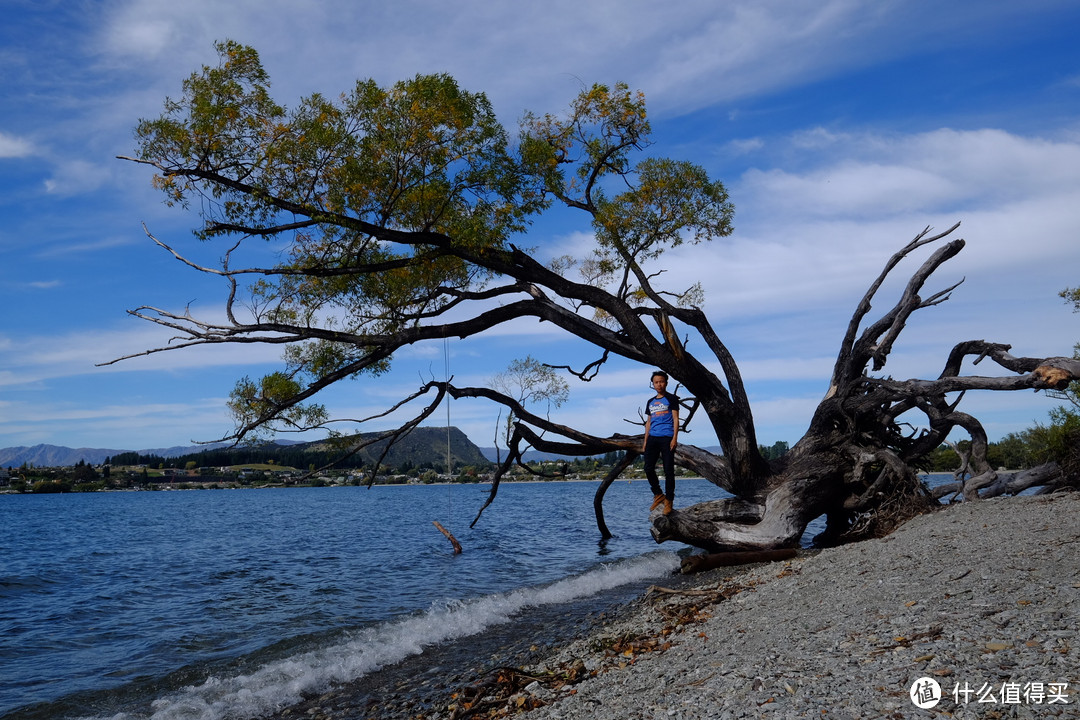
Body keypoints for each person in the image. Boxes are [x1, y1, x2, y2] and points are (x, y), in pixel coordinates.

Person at [642, 370, 679, 515]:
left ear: (666, 383)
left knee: (669, 470)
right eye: (656, 382)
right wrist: (645, 441)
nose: (659, 384)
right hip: (652, 438)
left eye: (662, 381)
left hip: (667, 437)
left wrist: (675, 438)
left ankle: (669, 500)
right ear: (653, 384)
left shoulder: (672, 399)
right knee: (648, 468)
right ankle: (658, 494)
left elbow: (676, 419)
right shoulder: (650, 402)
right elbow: (649, 422)